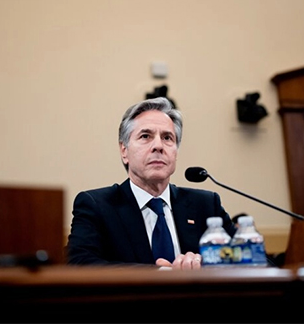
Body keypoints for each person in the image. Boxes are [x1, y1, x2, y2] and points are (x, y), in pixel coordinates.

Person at [66, 97, 236, 270]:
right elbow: (78, 264)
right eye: (146, 136)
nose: (158, 146)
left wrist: (206, 262)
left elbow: (254, 259)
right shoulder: (97, 205)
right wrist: (159, 274)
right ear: (124, 151)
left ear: (176, 152)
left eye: (167, 137)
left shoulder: (206, 205)